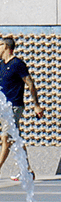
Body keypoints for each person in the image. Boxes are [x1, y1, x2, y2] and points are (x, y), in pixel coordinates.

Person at [0, 36, 44, 181]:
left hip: (14, 106)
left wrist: (36, 105)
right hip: (2, 107)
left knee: (6, 138)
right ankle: (27, 171)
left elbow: (30, 83)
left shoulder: (18, 64)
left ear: (6, 47)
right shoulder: (1, 64)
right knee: (15, 139)